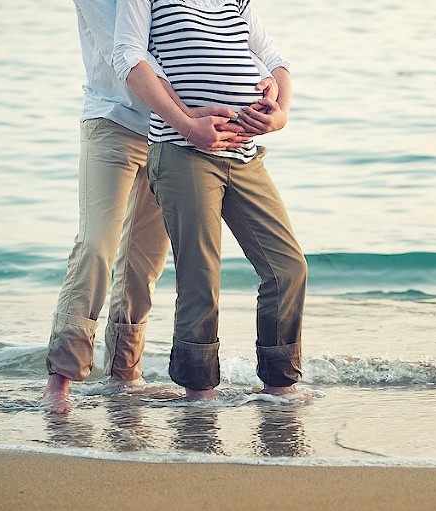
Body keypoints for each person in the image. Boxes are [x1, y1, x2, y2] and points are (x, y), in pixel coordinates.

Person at [41, 0, 275, 411]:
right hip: (113, 121)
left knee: (143, 261)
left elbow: (230, 42)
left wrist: (256, 84)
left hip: (171, 135)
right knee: (97, 244)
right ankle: (60, 378)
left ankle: (123, 375)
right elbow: (133, 55)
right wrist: (188, 117)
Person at [113, 0, 307, 399]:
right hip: (184, 151)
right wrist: (187, 124)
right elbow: (129, 59)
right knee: (200, 275)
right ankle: (199, 393)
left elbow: (275, 61)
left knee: (287, 267)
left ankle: (278, 385)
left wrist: (281, 114)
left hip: (244, 154)